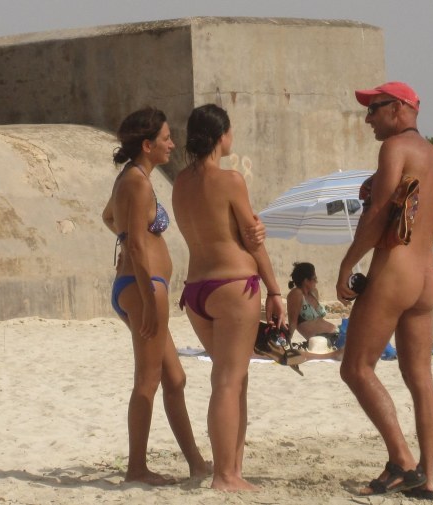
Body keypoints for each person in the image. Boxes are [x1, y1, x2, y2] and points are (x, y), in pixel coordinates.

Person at [335, 82, 433, 500]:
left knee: (355, 368)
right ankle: (427, 480)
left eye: (374, 108)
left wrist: (347, 265)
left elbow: (379, 217)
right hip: (426, 276)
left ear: (399, 108)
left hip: (395, 271)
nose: (367, 118)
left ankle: (401, 461)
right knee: (420, 377)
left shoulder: (395, 147)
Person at [172, 103, 286, 491]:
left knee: (234, 378)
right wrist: (274, 289)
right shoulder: (230, 179)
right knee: (228, 380)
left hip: (196, 289)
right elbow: (252, 239)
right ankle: (224, 475)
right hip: (234, 284)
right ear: (222, 136)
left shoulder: (180, 184)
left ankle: (233, 467)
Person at [101, 107, 210, 485]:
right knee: (147, 380)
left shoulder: (130, 178)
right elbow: (134, 244)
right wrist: (149, 298)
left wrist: (130, 241)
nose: (172, 144)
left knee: (175, 379)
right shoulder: (138, 182)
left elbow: (108, 217)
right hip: (143, 288)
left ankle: (196, 463)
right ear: (147, 145)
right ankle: (136, 468)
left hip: (139, 285)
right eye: (166, 138)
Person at [286, 262, 343, 354]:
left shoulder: (314, 292)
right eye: (314, 279)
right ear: (306, 281)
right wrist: (287, 343)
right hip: (321, 340)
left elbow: (319, 321)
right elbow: (293, 322)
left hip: (333, 334)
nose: (316, 281)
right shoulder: (296, 294)